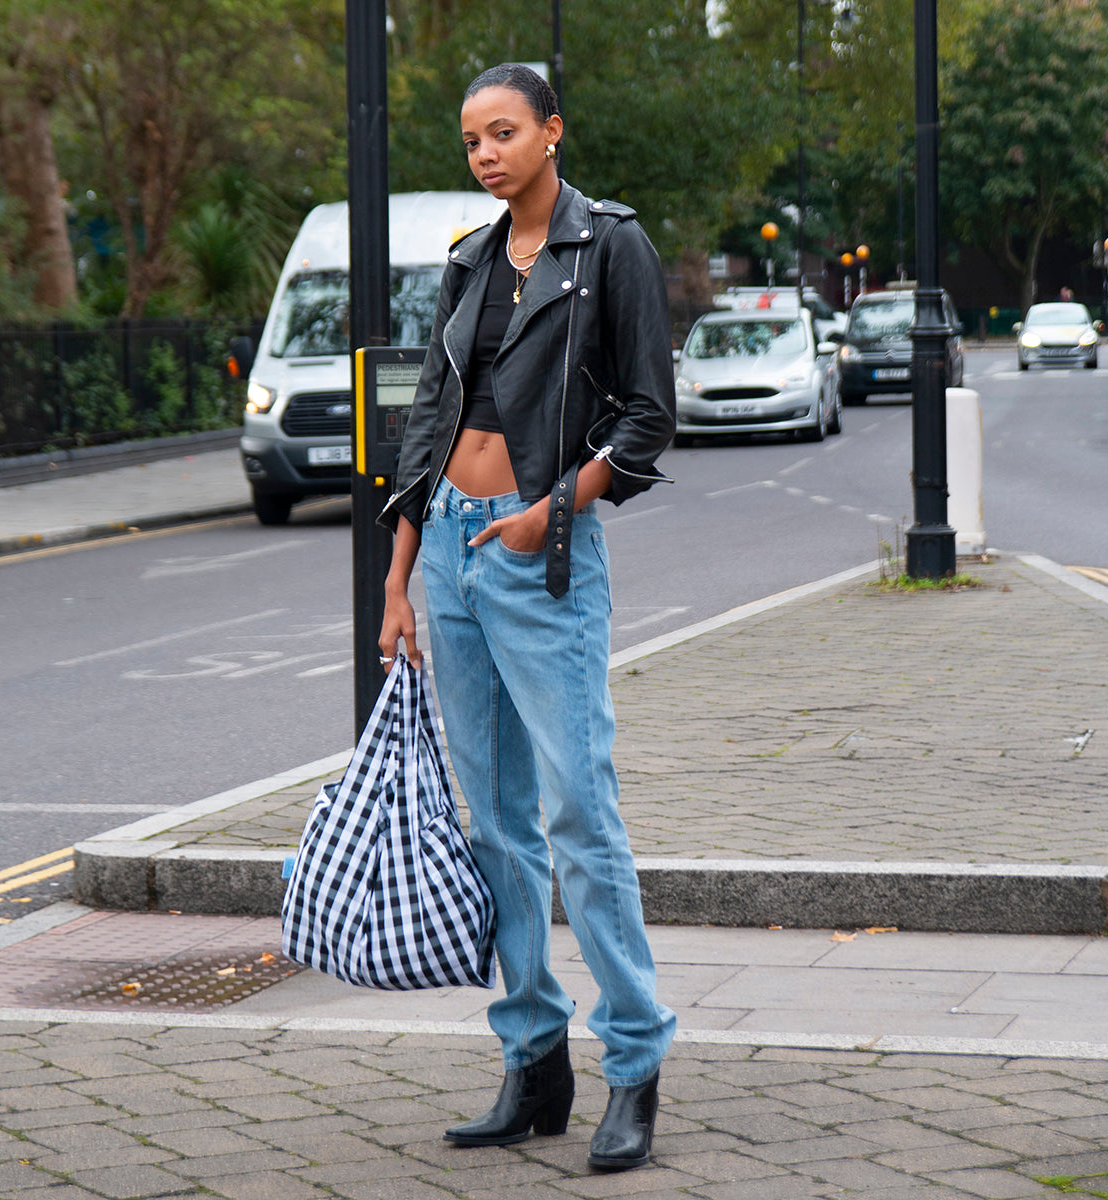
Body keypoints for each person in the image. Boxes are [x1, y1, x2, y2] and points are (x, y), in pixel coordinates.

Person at [376, 63, 676, 1171]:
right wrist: (401, 570)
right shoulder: (466, 260)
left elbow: (649, 416)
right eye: (471, 141)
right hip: (452, 545)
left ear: (553, 130)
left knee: (578, 818)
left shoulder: (611, 250)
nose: (486, 154)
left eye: (504, 132)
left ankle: (634, 1061)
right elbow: (427, 418)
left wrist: (552, 508)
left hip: (541, 551)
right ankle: (534, 1056)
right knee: (495, 823)